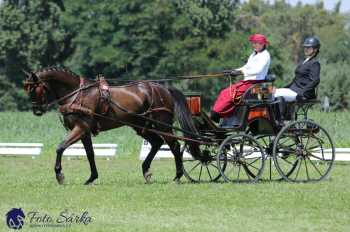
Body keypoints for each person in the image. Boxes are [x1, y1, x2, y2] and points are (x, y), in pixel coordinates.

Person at [210, 33, 271, 122]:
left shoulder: (265, 55)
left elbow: (257, 70)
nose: (253, 45)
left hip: (255, 84)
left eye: (255, 43)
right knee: (224, 92)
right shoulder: (254, 54)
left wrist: (240, 72)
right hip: (247, 82)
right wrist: (233, 71)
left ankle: (218, 113)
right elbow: (246, 67)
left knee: (231, 95)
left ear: (262, 44)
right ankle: (217, 113)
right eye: (253, 43)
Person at [274, 36, 321, 102]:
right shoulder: (304, 61)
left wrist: (302, 92)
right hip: (293, 90)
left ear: (315, 49)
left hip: (301, 93)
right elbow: (295, 81)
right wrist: (283, 88)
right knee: (271, 92)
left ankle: (281, 112)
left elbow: (315, 80)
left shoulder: (315, 63)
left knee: (273, 94)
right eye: (305, 47)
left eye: (308, 47)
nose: (306, 49)